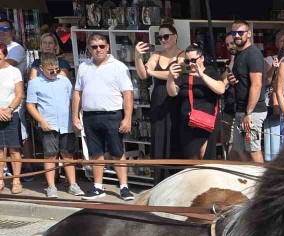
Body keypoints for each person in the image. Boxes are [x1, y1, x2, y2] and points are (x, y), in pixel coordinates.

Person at [73, 33, 134, 200]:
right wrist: (75, 117)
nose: (98, 49)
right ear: (89, 48)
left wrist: (127, 117)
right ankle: (98, 187)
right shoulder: (84, 67)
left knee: (117, 151)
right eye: (94, 47)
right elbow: (77, 93)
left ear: (107, 46)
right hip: (90, 115)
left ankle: (124, 187)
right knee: (95, 152)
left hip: (112, 114)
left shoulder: (119, 66)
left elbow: (127, 94)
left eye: (101, 46)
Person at [25, 52, 83, 198]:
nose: (54, 72)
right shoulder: (35, 83)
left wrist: (75, 119)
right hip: (48, 124)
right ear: (41, 68)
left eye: (56, 69)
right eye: (50, 70)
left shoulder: (64, 81)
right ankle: (51, 186)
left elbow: (73, 100)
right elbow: (30, 105)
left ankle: (73, 184)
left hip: (66, 124)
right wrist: (42, 121)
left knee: (67, 154)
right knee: (50, 155)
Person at [134, 19, 183, 184]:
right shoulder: (156, 55)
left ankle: (175, 179)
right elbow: (142, 75)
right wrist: (138, 57)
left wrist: (152, 72)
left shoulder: (182, 55)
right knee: (159, 137)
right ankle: (159, 179)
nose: (162, 40)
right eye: (159, 37)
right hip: (159, 99)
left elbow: (174, 75)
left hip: (176, 99)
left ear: (175, 37)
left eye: (166, 37)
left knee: (175, 136)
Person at [166, 44, 225, 160]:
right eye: (187, 61)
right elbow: (172, 92)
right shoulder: (184, 74)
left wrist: (202, 75)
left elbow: (221, 89)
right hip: (188, 122)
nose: (190, 64)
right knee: (191, 156)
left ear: (202, 58)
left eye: (193, 60)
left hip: (206, 121)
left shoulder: (211, 72)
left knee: (204, 155)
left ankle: (205, 178)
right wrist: (170, 77)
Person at [228, 20, 268, 162]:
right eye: (234, 33)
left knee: (253, 149)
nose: (237, 36)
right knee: (239, 149)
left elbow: (257, 85)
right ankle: (249, 181)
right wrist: (234, 79)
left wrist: (249, 113)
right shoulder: (240, 53)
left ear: (249, 33)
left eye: (240, 32)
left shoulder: (253, 54)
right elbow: (245, 80)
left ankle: (262, 181)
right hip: (241, 109)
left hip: (253, 111)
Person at [0, 43, 23, 194]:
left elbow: (19, 94)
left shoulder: (14, 71)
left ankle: (16, 180)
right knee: (0, 149)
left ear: (5, 56)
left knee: (14, 148)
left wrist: (9, 109)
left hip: (11, 113)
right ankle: (0, 179)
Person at [263, 32, 284, 161]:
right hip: (272, 101)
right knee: (274, 131)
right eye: (281, 41)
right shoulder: (269, 59)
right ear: (276, 44)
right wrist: (273, 68)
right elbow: (267, 80)